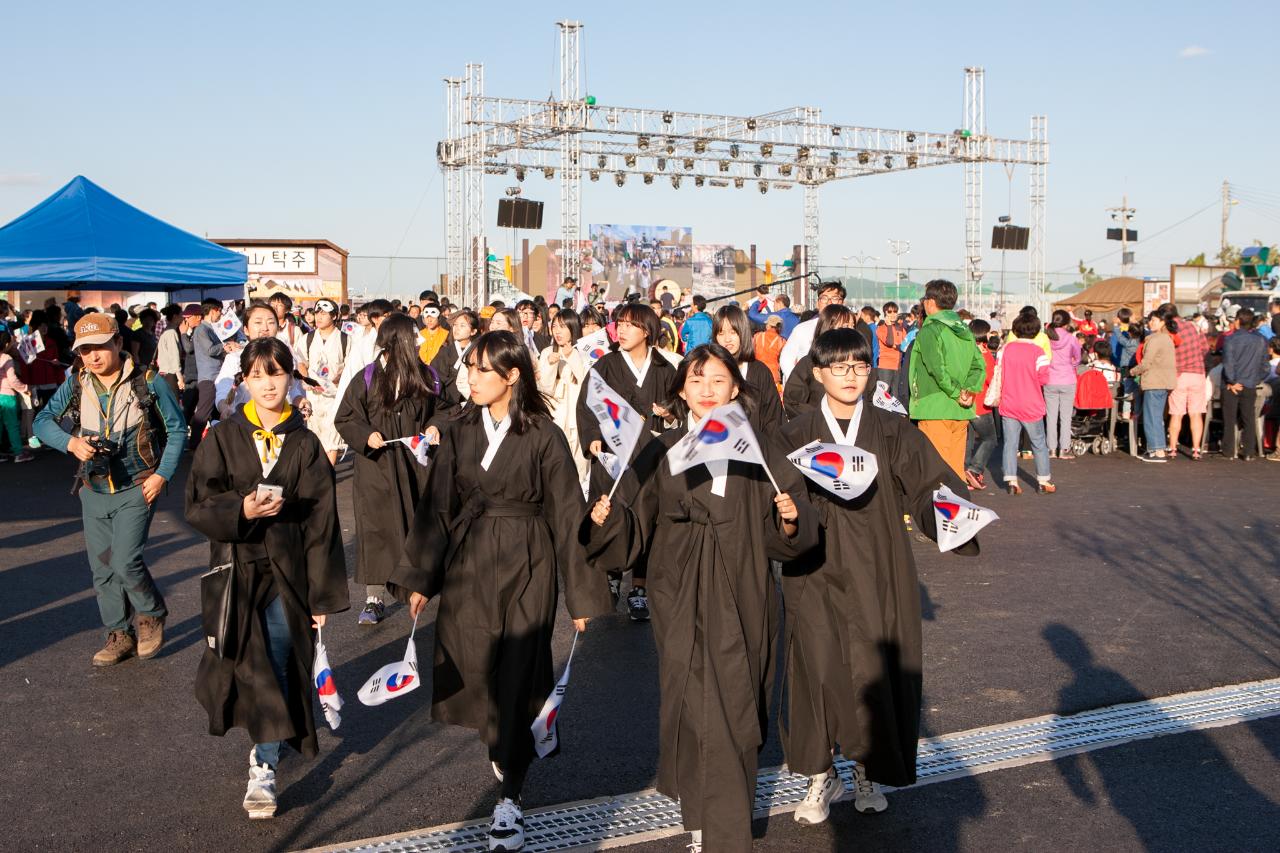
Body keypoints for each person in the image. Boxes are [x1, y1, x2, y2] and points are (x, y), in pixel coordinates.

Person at [587, 344, 819, 852]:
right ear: (681, 390)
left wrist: (790, 517)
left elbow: (794, 521)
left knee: (737, 704)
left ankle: (719, 826)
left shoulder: (762, 448)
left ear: (736, 387)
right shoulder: (660, 448)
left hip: (744, 586)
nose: (707, 391)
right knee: (694, 703)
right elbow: (636, 522)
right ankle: (710, 826)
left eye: (717, 381)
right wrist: (607, 520)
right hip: (678, 588)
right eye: (696, 382)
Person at [388, 331, 609, 852]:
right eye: (469, 367)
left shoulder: (543, 435)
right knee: (475, 664)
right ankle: (504, 738)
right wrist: (422, 577)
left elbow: (565, 512)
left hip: (526, 562)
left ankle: (511, 796)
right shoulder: (458, 429)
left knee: (515, 672)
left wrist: (580, 597)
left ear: (513, 375)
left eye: (484, 369)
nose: (472, 377)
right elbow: (439, 505)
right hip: (469, 560)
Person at [781, 328, 978, 827]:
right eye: (839, 367)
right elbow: (770, 497)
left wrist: (954, 522)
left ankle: (865, 763)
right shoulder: (795, 431)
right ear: (818, 372)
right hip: (814, 566)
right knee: (818, 668)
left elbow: (928, 487)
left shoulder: (893, 429)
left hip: (878, 566)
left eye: (860, 366)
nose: (850, 376)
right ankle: (821, 773)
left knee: (872, 668)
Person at [184, 337, 349, 820]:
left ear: (289, 377)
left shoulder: (306, 443)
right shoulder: (224, 436)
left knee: (276, 660)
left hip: (289, 572)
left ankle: (264, 765)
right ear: (244, 381)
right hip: (236, 569)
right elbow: (197, 501)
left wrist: (321, 595)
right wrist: (241, 508)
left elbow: (323, 523)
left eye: (275, 373)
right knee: (242, 661)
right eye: (257, 375)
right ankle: (266, 751)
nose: (268, 383)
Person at [33, 313, 186, 665]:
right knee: (102, 568)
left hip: (138, 486)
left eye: (101, 346)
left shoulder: (148, 382)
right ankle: (118, 634)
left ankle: (151, 614)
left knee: (124, 560)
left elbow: (177, 431)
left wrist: (162, 475)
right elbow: (42, 422)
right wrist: (71, 444)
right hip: (93, 489)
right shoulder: (76, 383)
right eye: (86, 350)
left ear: (118, 343)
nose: (94, 356)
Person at [335, 313, 441, 626]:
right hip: (376, 467)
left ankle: (417, 585)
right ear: (397, 342)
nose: (420, 341)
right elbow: (345, 418)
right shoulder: (366, 378)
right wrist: (365, 434)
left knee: (416, 524)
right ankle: (374, 598)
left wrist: (435, 426)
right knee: (377, 529)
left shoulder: (427, 376)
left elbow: (445, 410)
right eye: (414, 336)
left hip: (414, 463)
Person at [575, 302, 676, 620]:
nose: (621, 329)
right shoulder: (605, 366)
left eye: (630, 324)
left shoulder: (665, 368)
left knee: (648, 519)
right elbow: (586, 404)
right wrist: (592, 434)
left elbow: (680, 406)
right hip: (612, 458)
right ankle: (612, 577)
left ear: (647, 330)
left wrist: (670, 413)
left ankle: (640, 589)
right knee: (611, 515)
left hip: (649, 457)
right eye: (618, 323)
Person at [908, 280, 987, 478]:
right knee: (955, 471)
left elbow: (937, 368)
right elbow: (979, 365)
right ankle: (958, 504)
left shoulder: (930, 330)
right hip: (960, 410)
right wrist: (968, 391)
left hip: (935, 406)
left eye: (925, 299)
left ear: (931, 302)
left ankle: (937, 509)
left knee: (936, 471)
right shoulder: (964, 331)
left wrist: (953, 392)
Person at [998, 312, 1054, 493]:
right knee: (1039, 444)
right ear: (1037, 331)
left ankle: (1011, 480)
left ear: (1015, 329)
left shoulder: (1005, 349)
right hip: (1031, 404)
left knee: (1010, 443)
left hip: (1008, 402)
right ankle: (1044, 481)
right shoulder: (1039, 352)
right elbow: (1044, 378)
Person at [537, 308, 590, 483]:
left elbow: (587, 383)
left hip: (579, 415)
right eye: (554, 326)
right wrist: (551, 365)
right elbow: (544, 388)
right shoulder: (547, 352)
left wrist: (571, 357)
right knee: (556, 461)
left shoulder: (583, 351)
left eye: (562, 327)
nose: (557, 331)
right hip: (556, 415)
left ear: (573, 328)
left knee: (580, 464)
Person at [713, 303, 784, 432]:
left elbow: (773, 419)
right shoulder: (710, 370)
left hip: (758, 447)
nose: (727, 339)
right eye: (721, 333)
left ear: (743, 333)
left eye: (733, 332)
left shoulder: (760, 371)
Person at [784, 304, 859, 420]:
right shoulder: (809, 363)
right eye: (845, 325)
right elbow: (793, 401)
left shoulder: (860, 364)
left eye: (852, 326)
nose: (851, 330)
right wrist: (822, 418)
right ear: (828, 327)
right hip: (818, 431)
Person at [297, 299, 349, 465]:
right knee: (314, 432)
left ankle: (329, 471)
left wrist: (337, 379)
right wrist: (308, 380)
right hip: (313, 395)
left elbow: (350, 365)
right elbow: (301, 362)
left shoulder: (345, 339)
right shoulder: (307, 338)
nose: (319, 317)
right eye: (317, 313)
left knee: (332, 434)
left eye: (324, 314)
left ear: (334, 316)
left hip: (334, 394)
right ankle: (316, 469)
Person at [1220, 308, 1270, 461]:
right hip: (1250, 384)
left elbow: (1229, 363)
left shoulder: (1230, 339)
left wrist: (1232, 381)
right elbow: (1265, 367)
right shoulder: (1260, 340)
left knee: (1229, 419)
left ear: (1238, 321)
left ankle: (1229, 451)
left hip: (1231, 385)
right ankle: (1248, 452)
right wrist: (1254, 380)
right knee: (1249, 418)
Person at [1129, 306, 1178, 462]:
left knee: (1152, 417)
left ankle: (1157, 450)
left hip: (1154, 381)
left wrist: (1131, 372)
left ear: (1162, 322)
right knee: (1156, 416)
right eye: (1150, 320)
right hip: (1164, 382)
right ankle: (1158, 449)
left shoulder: (1155, 339)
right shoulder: (1167, 338)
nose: (1150, 323)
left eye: (1154, 320)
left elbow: (1146, 363)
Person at [1166, 303, 1210, 460]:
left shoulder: (1168, 330)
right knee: (1196, 414)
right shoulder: (1194, 326)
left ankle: (1172, 448)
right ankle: (1197, 449)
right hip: (1197, 373)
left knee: (1176, 414)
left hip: (1178, 375)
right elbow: (1205, 349)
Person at [191, 299, 236, 449]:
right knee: (203, 412)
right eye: (220, 311)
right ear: (213, 311)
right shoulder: (201, 329)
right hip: (209, 377)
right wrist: (225, 347)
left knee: (217, 412)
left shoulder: (211, 329)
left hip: (217, 376)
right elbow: (210, 350)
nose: (221, 314)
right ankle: (194, 444)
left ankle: (218, 444)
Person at [779, 282, 847, 379]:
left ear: (843, 303)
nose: (829, 302)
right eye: (824, 298)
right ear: (818, 303)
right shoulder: (802, 329)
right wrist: (798, 382)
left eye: (835, 298)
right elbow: (786, 358)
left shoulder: (850, 329)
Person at [1044, 310, 1082, 460]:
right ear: (1066, 323)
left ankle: (1051, 450)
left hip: (1050, 379)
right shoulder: (1072, 339)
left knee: (1051, 417)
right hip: (1067, 379)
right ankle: (1063, 449)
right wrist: (1070, 364)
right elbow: (1078, 358)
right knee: (1066, 417)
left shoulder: (1047, 337)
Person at [964, 319, 997, 490]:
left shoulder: (964, 353)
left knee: (967, 442)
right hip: (981, 405)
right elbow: (992, 380)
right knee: (990, 439)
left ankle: (963, 474)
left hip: (964, 404)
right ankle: (975, 470)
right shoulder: (985, 357)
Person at [430, 309, 479, 412]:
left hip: (472, 402)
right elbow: (434, 377)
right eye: (455, 325)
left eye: (462, 326)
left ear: (473, 331)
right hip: (446, 404)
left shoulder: (477, 352)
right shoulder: (444, 352)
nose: (456, 329)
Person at [0, 331, 34, 462]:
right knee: (12, 425)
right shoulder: (6, 359)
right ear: (7, 343)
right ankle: (18, 453)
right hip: (7, 396)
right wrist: (25, 388)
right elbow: (12, 380)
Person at [875, 301, 907, 389]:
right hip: (885, 366)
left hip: (898, 366)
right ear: (885, 313)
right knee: (884, 395)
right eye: (889, 312)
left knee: (896, 395)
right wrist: (889, 326)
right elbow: (889, 342)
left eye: (895, 311)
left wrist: (896, 346)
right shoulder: (881, 328)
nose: (893, 314)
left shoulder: (901, 328)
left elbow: (904, 346)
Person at [753, 314, 786, 386]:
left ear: (768, 326)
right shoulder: (781, 341)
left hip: (757, 373)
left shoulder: (757, 336)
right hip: (773, 376)